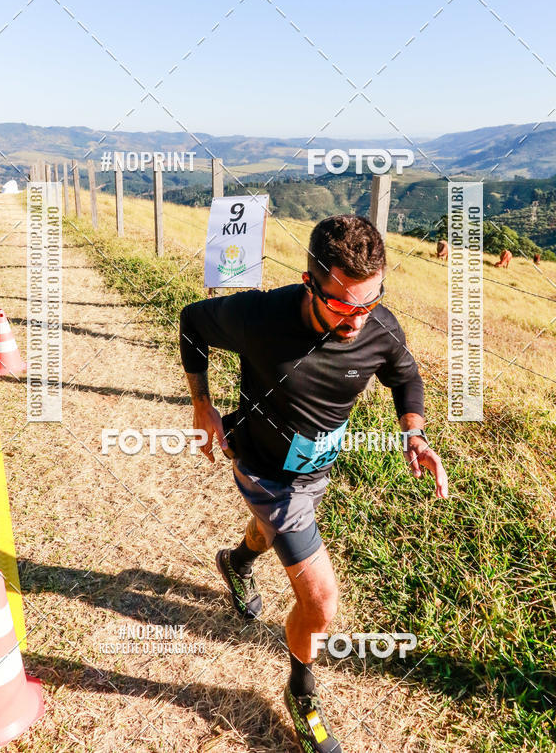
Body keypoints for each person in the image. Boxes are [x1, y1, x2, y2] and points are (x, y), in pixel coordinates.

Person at [179, 214, 448, 752]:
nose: (357, 320)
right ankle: (301, 692)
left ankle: (237, 561)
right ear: (310, 283)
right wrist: (201, 405)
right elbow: (191, 322)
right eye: (343, 304)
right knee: (322, 600)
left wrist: (414, 435)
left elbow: (405, 375)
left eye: (368, 303)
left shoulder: (378, 325)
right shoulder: (261, 316)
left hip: (314, 470)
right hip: (264, 468)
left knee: (268, 534)